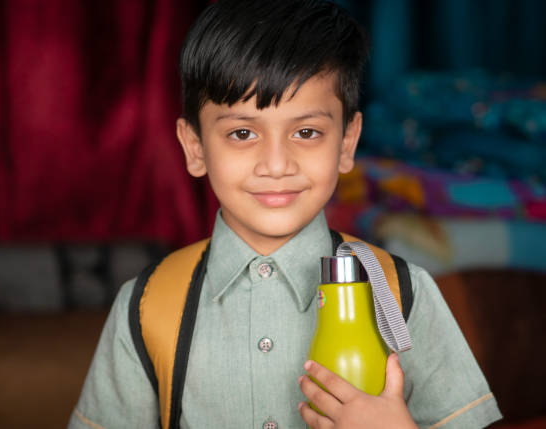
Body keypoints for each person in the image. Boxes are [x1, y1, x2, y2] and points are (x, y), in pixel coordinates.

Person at [69, 1, 502, 428]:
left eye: (306, 132)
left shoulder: (401, 293)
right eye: (242, 133)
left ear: (347, 142)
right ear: (195, 147)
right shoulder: (147, 303)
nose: (276, 164)